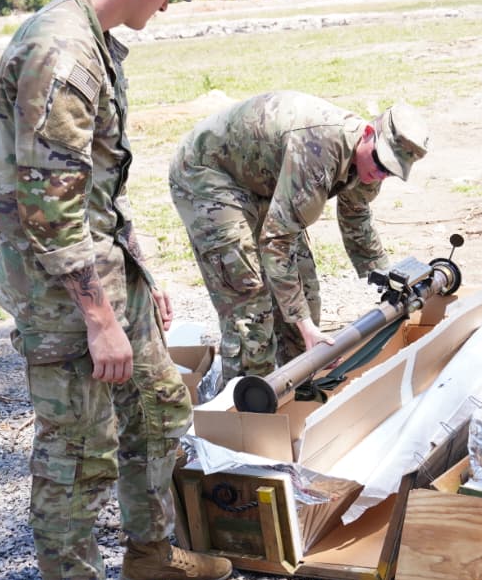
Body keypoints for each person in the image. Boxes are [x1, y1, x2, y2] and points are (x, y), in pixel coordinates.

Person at [0, 0, 231, 580]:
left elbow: (92, 185)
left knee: (158, 402)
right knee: (77, 450)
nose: (166, 6)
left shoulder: (93, 40)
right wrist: (98, 314)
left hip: (99, 264)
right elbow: (46, 200)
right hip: (61, 288)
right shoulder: (64, 51)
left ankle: (149, 549)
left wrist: (136, 264)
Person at [168, 90, 430, 382]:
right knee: (249, 298)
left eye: (391, 172)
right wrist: (305, 326)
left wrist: (386, 280)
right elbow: (276, 242)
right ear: (368, 133)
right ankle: (247, 404)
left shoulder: (369, 161)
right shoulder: (318, 148)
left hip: (261, 176)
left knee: (305, 290)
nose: (380, 174)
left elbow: (356, 216)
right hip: (209, 172)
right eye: (381, 164)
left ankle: (297, 382)